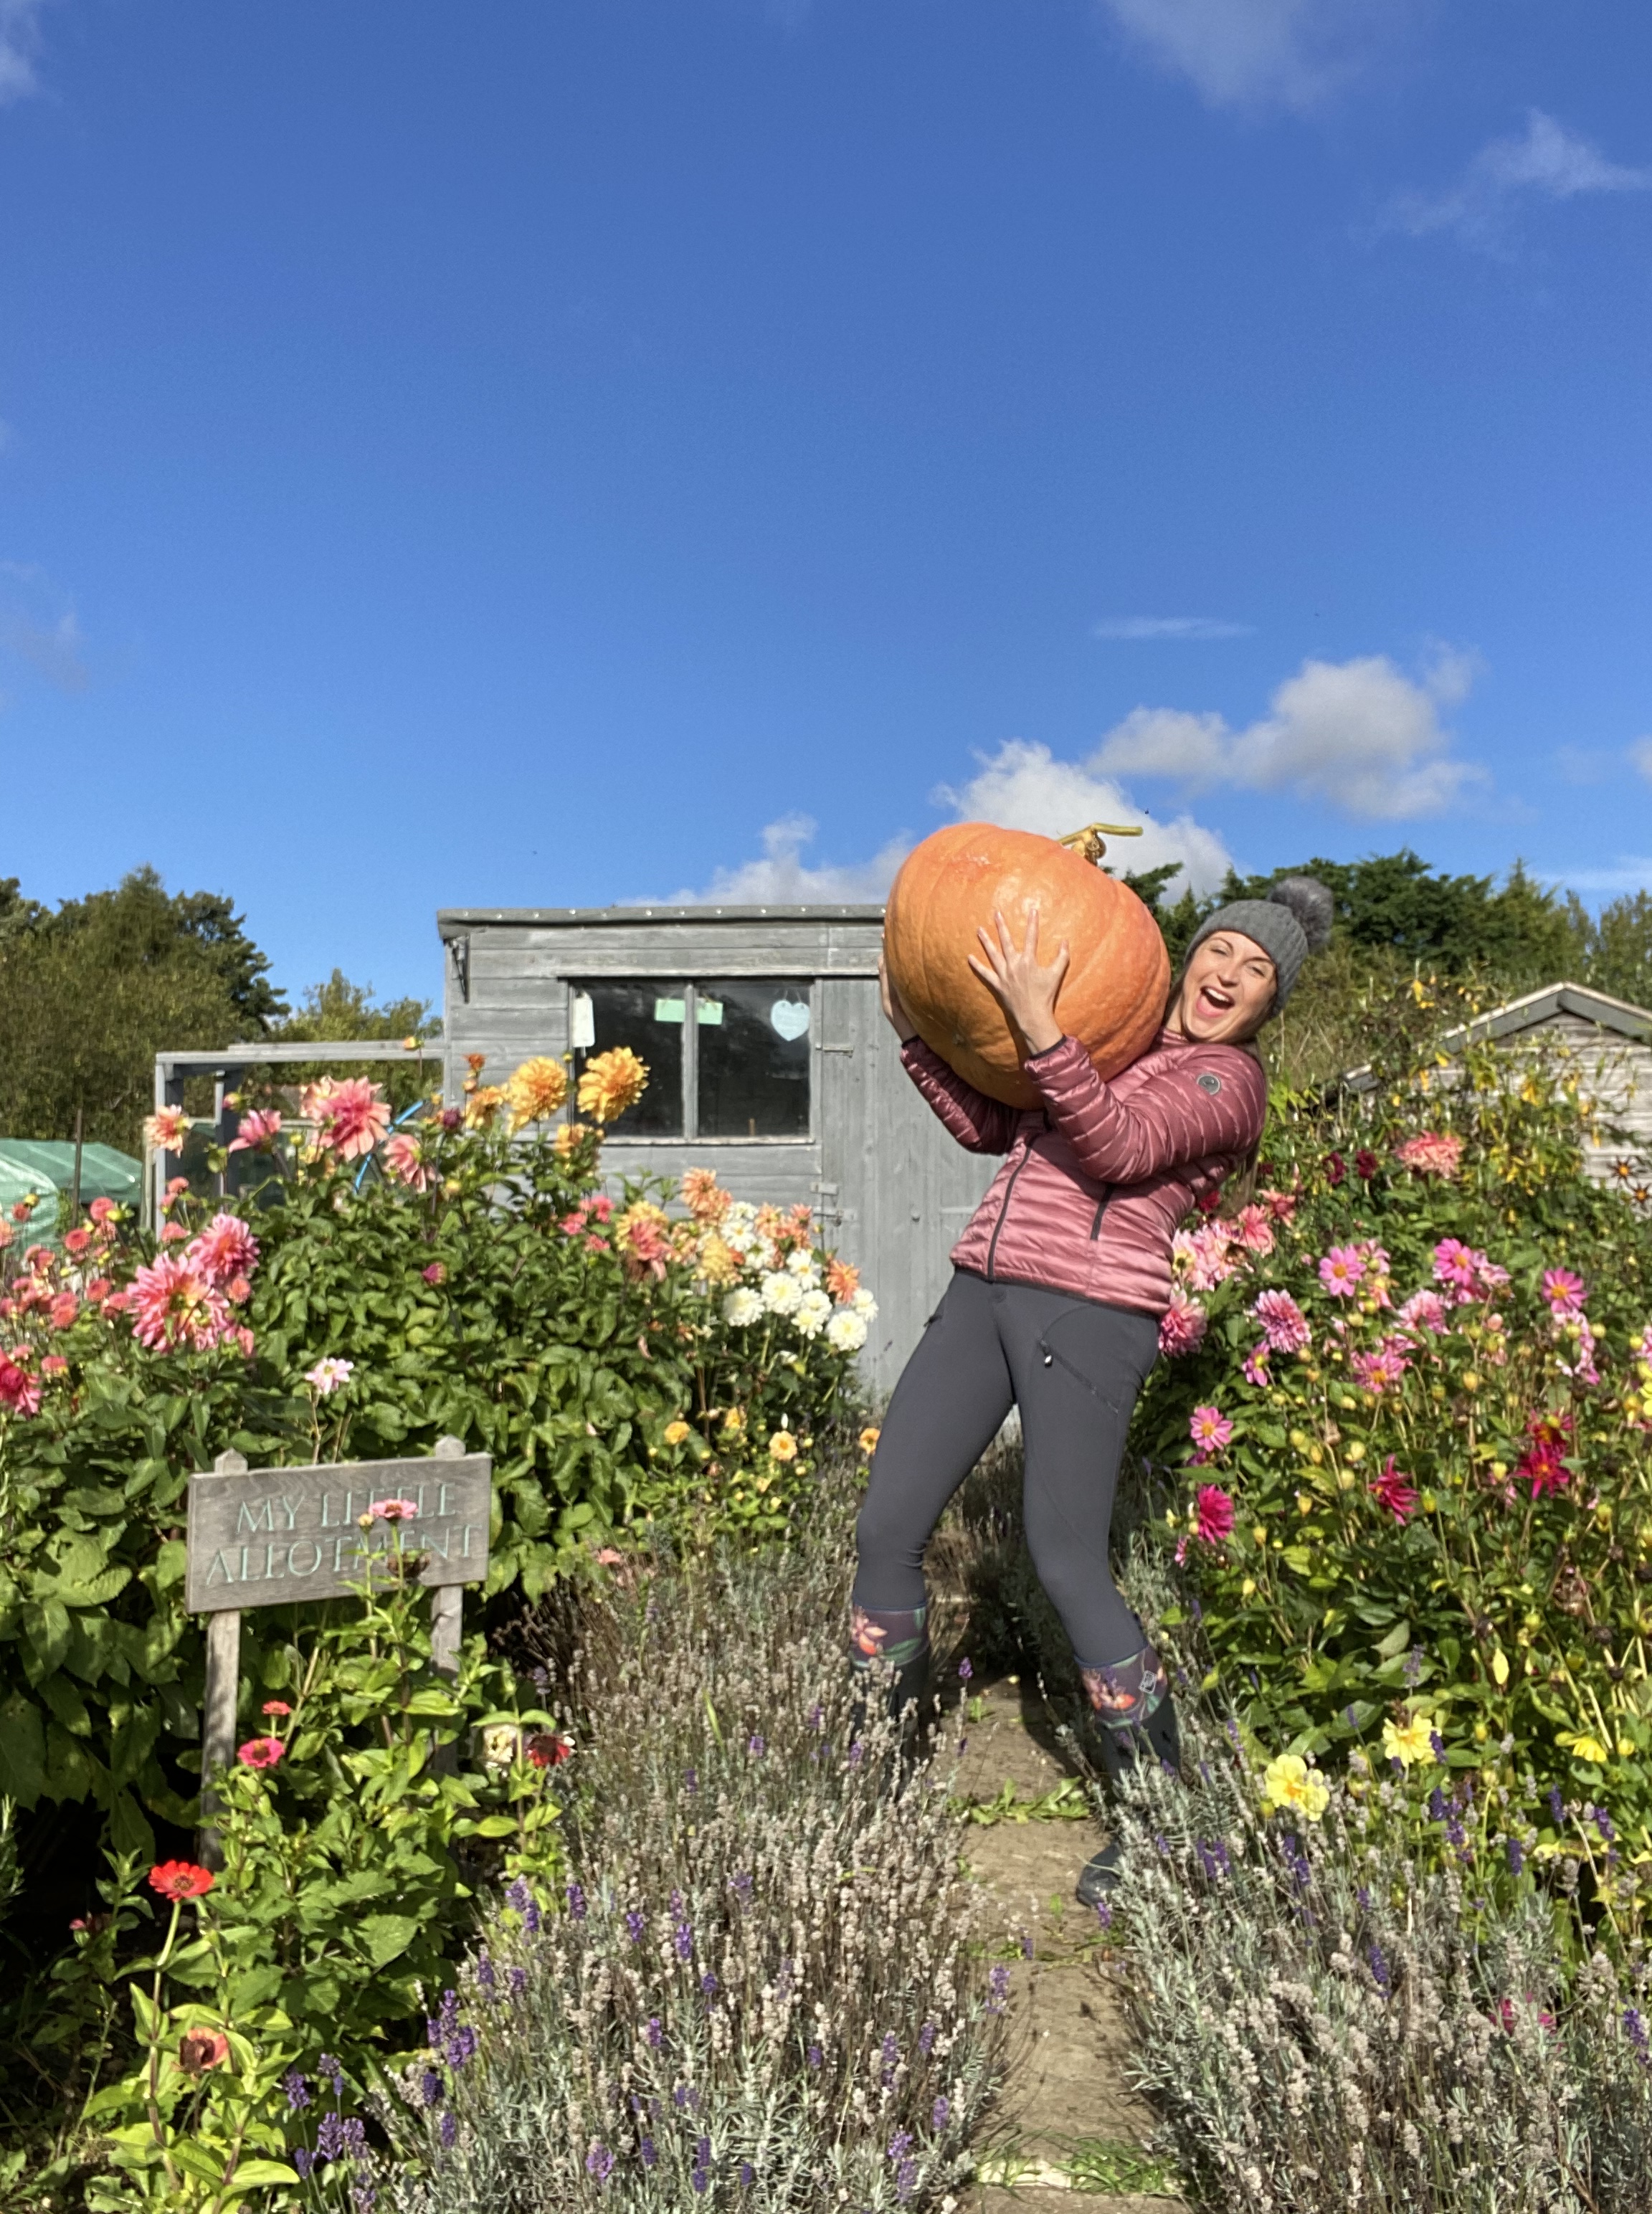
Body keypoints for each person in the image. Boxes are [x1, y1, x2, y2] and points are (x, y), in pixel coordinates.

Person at [852, 875, 1332, 1905]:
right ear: (1191, 956)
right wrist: (917, 1040)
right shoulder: (1112, 1044)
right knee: (887, 1522)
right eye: (1222, 953)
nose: (1230, 977)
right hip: (983, 1287)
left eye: (1255, 975)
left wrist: (1038, 1023)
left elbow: (1116, 1146)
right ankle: (872, 1776)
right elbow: (995, 1127)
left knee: (1065, 1557)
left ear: (1264, 1007)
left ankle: (1160, 1817)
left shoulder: (1225, 1086)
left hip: (1090, 1313)